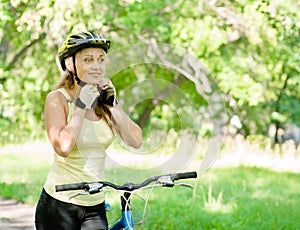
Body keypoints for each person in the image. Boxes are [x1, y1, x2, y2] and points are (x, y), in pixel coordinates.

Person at [35, 31, 142, 230]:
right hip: (59, 203)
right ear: (70, 64)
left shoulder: (103, 100)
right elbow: (63, 147)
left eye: (101, 60)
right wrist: (81, 105)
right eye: (88, 59)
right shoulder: (58, 99)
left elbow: (135, 140)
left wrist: (113, 105)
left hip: (94, 204)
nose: (97, 66)